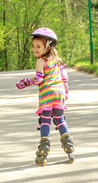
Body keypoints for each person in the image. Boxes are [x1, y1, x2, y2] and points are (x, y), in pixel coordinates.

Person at [16, 27, 74, 166]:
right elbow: (64, 76)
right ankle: (68, 145)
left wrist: (25, 83)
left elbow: (39, 79)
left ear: (47, 46)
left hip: (47, 95)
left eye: (38, 46)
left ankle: (44, 149)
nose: (35, 49)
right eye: (33, 46)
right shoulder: (57, 60)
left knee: (45, 121)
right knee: (60, 119)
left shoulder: (40, 61)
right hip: (59, 94)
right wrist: (65, 92)